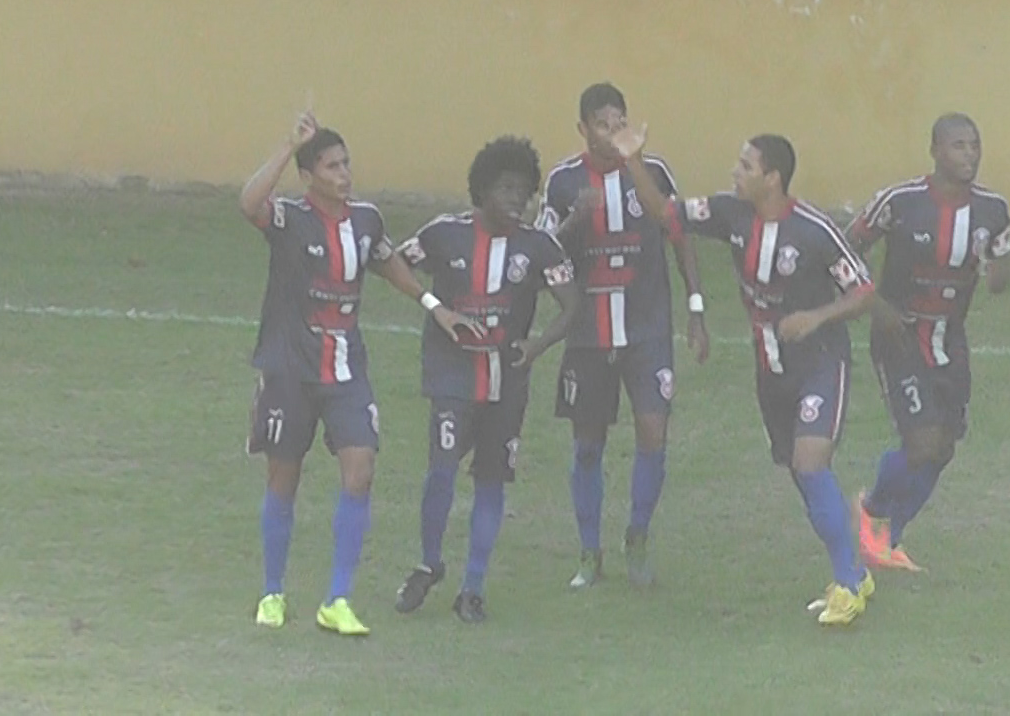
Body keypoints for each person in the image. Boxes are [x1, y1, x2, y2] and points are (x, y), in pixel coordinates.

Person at [615, 126, 880, 626]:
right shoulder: (729, 214)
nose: (735, 173)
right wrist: (634, 161)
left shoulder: (813, 230)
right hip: (771, 368)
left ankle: (847, 583)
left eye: (745, 166)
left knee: (810, 462)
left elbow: (863, 291)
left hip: (821, 361)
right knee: (801, 474)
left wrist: (816, 317)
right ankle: (855, 574)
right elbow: (667, 214)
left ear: (773, 178)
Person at [240, 111, 477, 637]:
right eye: (331, 165)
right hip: (287, 369)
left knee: (361, 469)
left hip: (345, 368)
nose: (344, 173)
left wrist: (434, 304)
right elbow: (248, 203)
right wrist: (287, 145)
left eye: (346, 163)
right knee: (284, 478)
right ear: (308, 176)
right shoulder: (288, 218)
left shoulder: (366, 220)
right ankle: (272, 592)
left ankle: (337, 599)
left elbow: (387, 260)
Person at [393, 136, 582, 623]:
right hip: (453, 375)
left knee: (492, 481)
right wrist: (434, 307)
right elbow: (389, 262)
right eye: (505, 188)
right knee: (441, 469)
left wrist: (537, 346)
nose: (517, 199)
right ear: (481, 189)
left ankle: (472, 587)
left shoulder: (539, 246)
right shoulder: (443, 234)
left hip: (507, 382)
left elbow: (574, 305)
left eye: (524, 190)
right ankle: (429, 562)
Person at [537, 83, 709, 589]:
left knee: (653, 432)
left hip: (646, 328)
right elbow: (541, 252)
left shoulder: (652, 173)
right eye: (602, 125)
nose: (613, 134)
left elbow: (679, 236)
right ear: (583, 129)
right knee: (588, 445)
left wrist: (696, 308)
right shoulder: (563, 181)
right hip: (589, 334)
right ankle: (589, 552)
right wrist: (574, 219)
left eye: (620, 123)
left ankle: (638, 536)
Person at [847, 113, 1010, 573]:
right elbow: (844, 250)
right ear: (936, 150)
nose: (969, 155)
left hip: (949, 338)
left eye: (974, 145)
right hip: (899, 335)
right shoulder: (899, 202)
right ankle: (873, 509)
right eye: (958, 146)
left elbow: (1002, 268)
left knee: (943, 449)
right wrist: (872, 301)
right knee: (921, 443)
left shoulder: (992, 209)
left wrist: (999, 270)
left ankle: (888, 539)